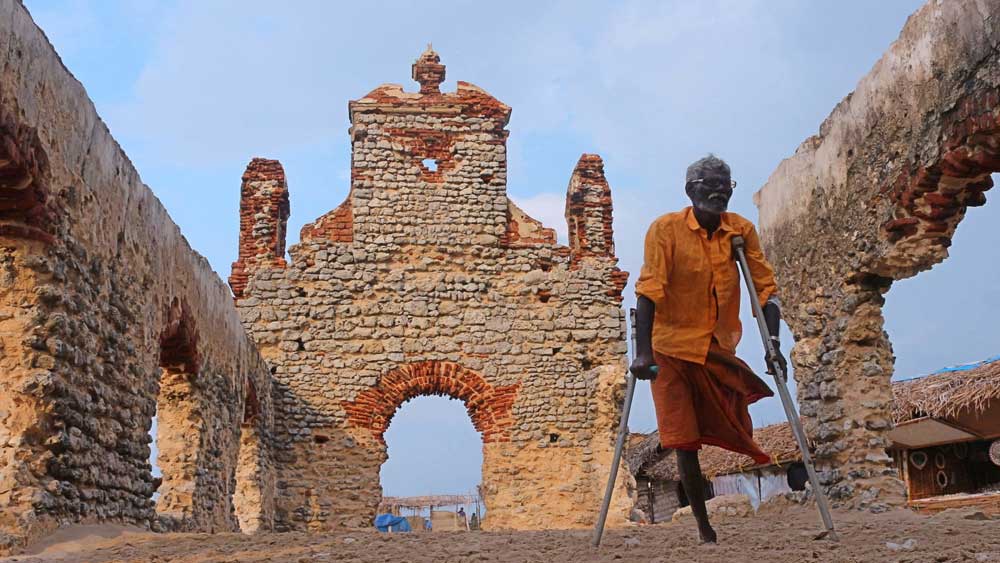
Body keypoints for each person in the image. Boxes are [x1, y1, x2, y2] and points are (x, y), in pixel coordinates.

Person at [631, 154, 786, 544]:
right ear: (690, 191)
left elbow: (764, 290)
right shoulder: (665, 230)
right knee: (682, 438)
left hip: (717, 345)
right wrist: (643, 352)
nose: (718, 192)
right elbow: (649, 290)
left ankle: (707, 517)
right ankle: (704, 527)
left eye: (725, 186)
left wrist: (774, 343)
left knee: (733, 413)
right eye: (709, 186)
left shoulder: (741, 230)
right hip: (669, 348)